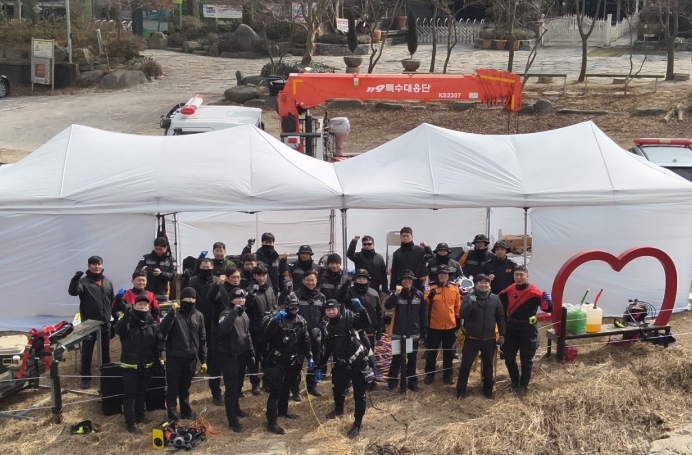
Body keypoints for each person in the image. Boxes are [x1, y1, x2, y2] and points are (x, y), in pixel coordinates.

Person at [321, 299, 374, 439]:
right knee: (338, 389)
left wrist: (362, 310)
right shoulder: (327, 326)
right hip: (341, 363)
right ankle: (338, 409)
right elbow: (328, 347)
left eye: (333, 309)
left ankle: (357, 424)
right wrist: (321, 364)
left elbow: (366, 323)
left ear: (338, 309)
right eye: (328, 310)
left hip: (358, 362)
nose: (331, 312)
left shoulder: (349, 318)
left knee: (359, 394)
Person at [498, 265, 553, 398]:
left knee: (526, 359)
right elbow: (498, 299)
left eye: (521, 275)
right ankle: (514, 381)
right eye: (516, 274)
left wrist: (549, 302)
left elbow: (547, 309)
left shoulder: (533, 291)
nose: (518, 277)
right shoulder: (510, 288)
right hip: (512, 328)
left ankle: (523, 385)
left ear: (527, 276)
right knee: (509, 357)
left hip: (527, 329)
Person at [262, 293, 313, 435]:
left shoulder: (301, 321)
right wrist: (275, 321)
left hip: (293, 359)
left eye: (296, 306)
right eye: (291, 306)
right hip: (276, 360)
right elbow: (266, 334)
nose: (294, 309)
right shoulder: (277, 319)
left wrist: (309, 356)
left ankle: (283, 411)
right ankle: (271, 422)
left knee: (287, 387)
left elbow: (305, 339)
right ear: (286, 306)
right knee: (275, 390)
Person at [159, 287, 207, 421]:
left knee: (185, 387)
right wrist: (171, 313)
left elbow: (202, 338)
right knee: (173, 388)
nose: (190, 300)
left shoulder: (199, 315)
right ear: (181, 299)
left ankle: (186, 412)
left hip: (191, 358)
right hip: (175, 357)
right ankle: (172, 415)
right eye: (187, 298)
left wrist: (203, 360)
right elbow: (162, 330)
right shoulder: (174, 313)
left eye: (193, 298)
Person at [455, 274, 505, 399]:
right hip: (472, 338)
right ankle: (461, 390)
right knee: (465, 365)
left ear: (489, 284)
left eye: (486, 282)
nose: (483, 285)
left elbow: (500, 317)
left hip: (489, 339)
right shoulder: (469, 297)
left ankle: (488, 390)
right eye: (480, 282)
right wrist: (469, 304)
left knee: (488, 365)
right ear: (476, 284)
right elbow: (462, 314)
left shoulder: (495, 299)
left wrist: (502, 334)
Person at [68, 255, 114, 389]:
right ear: (89, 266)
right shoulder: (83, 282)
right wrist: (75, 279)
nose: (97, 266)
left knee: (105, 351)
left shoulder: (107, 282)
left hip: (105, 323)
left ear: (102, 265)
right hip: (89, 324)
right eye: (93, 264)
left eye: (99, 264)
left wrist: (114, 316)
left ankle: (106, 375)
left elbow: (111, 300)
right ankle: (86, 377)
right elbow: (73, 292)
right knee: (87, 352)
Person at [116, 294, 160, 434]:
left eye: (145, 305)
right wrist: (126, 316)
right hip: (130, 365)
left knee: (142, 392)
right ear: (134, 305)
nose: (142, 307)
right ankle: (130, 422)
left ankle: (140, 415)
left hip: (146, 364)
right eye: (139, 304)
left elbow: (155, 343)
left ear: (149, 307)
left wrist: (157, 360)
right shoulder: (128, 321)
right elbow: (119, 330)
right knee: (130, 395)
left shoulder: (152, 323)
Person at [217, 288, 255, 432]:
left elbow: (247, 334)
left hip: (242, 356)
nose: (241, 300)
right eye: (237, 298)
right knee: (231, 389)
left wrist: (251, 353)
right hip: (229, 357)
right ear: (231, 299)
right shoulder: (226, 313)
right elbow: (223, 329)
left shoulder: (244, 313)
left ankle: (236, 408)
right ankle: (232, 420)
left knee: (239, 386)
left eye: (243, 297)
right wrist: (233, 312)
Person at [385, 269, 427, 393]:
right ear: (401, 281)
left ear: (412, 281)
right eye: (404, 279)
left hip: (413, 332)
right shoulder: (396, 294)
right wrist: (395, 294)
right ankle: (392, 383)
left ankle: (412, 383)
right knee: (396, 359)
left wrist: (423, 331)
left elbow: (423, 314)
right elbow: (387, 306)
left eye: (409, 279)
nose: (407, 281)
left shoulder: (418, 294)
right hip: (398, 333)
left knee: (412, 359)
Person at [206, 266, 242, 404]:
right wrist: (217, 284)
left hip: (234, 332)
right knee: (216, 363)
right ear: (226, 278)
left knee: (232, 363)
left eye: (238, 277)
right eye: (233, 277)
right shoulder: (221, 289)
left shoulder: (239, 291)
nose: (236, 280)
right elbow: (210, 297)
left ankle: (233, 391)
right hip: (219, 331)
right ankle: (216, 393)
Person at [291, 269, 326, 400]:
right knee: (297, 363)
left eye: (313, 280)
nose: (311, 282)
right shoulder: (295, 295)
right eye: (308, 280)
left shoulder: (321, 297)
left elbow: (325, 315)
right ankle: (295, 389)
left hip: (315, 335)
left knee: (315, 361)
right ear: (303, 280)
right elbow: (290, 314)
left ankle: (312, 386)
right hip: (298, 336)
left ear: (316, 281)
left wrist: (320, 328)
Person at [423, 264, 461, 385]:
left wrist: (458, 319)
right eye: (441, 274)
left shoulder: (454, 288)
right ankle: (429, 374)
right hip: (434, 325)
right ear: (437, 275)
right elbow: (426, 302)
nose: (443, 276)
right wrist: (431, 295)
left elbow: (457, 305)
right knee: (431, 352)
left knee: (448, 352)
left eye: (445, 274)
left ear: (448, 275)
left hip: (450, 326)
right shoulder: (430, 287)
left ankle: (448, 375)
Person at [245, 264, 277, 395]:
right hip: (255, 330)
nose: (262, 278)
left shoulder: (269, 289)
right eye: (259, 275)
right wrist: (251, 295)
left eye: (264, 275)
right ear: (254, 276)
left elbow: (273, 306)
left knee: (268, 358)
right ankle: (254, 383)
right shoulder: (249, 290)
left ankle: (266, 381)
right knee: (254, 359)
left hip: (269, 330)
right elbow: (245, 307)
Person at [188, 258, 216, 399]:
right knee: (195, 342)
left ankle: (209, 365)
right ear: (199, 267)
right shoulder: (193, 281)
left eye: (208, 268)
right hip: (197, 317)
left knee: (210, 343)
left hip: (213, 317)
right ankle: (192, 367)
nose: (206, 270)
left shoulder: (217, 281)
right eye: (203, 268)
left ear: (212, 268)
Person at [341, 269, 382, 350]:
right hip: (353, 330)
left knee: (369, 353)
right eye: (359, 278)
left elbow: (379, 313)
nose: (362, 280)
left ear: (368, 280)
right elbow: (341, 299)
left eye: (364, 278)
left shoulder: (374, 293)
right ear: (355, 279)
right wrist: (346, 285)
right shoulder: (349, 292)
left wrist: (379, 329)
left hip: (370, 330)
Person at [390, 227, 432, 293]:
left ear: (412, 237)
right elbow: (394, 272)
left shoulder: (420, 250)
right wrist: (392, 289)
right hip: (402, 285)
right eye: (403, 236)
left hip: (418, 284)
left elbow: (432, 259)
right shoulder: (397, 253)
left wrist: (427, 248)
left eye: (408, 236)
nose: (405, 238)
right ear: (400, 237)